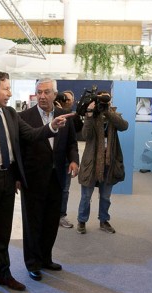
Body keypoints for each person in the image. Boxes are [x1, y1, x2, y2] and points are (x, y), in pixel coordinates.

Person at [0, 71, 69, 293]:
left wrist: (52, 127)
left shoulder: (11, 113)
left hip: (8, 179)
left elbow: (31, 135)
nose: (10, 93)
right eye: (6, 89)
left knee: (4, 231)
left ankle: (3, 273)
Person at [19, 79, 79, 281]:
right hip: (33, 179)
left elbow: (72, 143)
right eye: (39, 92)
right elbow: (19, 150)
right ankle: (32, 263)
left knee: (51, 222)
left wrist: (73, 161)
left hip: (57, 178)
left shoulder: (65, 117)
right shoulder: (24, 117)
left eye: (46, 92)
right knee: (33, 223)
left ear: (55, 94)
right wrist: (18, 176)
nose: (42, 96)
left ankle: (45, 258)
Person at [76, 90, 128, 234]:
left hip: (108, 163)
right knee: (86, 196)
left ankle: (104, 221)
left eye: (107, 99)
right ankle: (81, 221)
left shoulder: (113, 115)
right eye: (102, 99)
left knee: (105, 196)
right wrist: (89, 114)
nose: (104, 102)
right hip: (91, 163)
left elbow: (124, 126)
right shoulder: (92, 116)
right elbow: (86, 135)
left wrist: (108, 112)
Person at [56, 89, 83, 228]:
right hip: (50, 158)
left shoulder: (73, 115)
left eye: (69, 100)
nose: (66, 102)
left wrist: (66, 112)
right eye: (63, 99)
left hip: (66, 159)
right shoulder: (51, 111)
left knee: (64, 189)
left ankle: (61, 215)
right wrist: (57, 111)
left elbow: (77, 130)